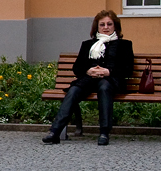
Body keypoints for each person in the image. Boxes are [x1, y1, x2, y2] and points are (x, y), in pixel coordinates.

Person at [42, 10, 134, 146]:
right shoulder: (87, 45)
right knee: (73, 91)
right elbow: (77, 68)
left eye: (109, 24)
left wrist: (109, 71)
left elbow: (128, 69)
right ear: (97, 27)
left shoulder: (124, 45)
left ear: (115, 26)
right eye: (102, 24)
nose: (106, 27)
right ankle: (54, 132)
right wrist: (88, 71)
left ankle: (104, 133)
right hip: (89, 79)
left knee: (104, 87)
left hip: (111, 80)